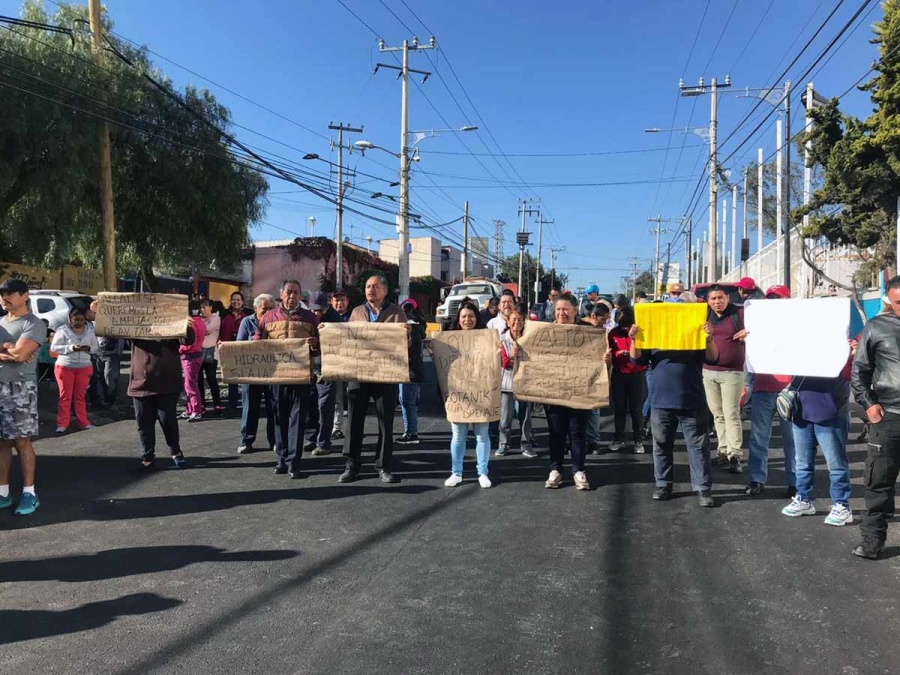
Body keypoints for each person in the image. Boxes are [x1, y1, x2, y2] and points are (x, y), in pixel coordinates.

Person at [629, 311, 718, 507]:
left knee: (698, 447)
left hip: (692, 400)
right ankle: (663, 484)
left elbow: (713, 358)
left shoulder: (694, 332)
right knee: (661, 445)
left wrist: (709, 339)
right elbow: (636, 360)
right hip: (661, 401)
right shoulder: (653, 333)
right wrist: (634, 340)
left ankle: (703, 488)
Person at [339, 275, 407, 484]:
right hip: (359, 374)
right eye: (368, 286)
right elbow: (346, 339)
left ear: (385, 291)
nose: (371, 290)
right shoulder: (356, 312)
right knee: (354, 420)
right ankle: (352, 465)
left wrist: (407, 335)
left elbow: (407, 343)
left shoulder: (396, 313)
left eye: (375, 287)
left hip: (386, 376)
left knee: (385, 422)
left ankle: (383, 466)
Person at [850, 277, 900, 559]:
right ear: (889, 302)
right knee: (878, 483)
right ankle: (872, 542)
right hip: (889, 417)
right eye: (898, 303)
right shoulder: (877, 327)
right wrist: (869, 404)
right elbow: (860, 373)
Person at [781, 343, 856, 527]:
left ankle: (842, 505)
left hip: (831, 411)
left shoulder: (841, 338)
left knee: (836, 464)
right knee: (802, 461)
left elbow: (850, 373)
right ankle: (803, 498)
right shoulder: (801, 338)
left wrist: (851, 354)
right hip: (801, 408)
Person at [256, 280, 320, 479]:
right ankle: (281, 460)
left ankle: (294, 462)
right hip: (276, 378)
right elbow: (257, 343)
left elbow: (322, 346)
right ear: (281, 294)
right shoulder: (267, 317)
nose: (292, 296)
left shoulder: (311, 318)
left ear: (301, 296)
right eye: (289, 292)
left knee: (298, 422)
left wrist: (315, 344)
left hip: (301, 378)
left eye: (296, 293)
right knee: (278, 420)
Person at [0, 279, 47, 516]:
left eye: (10, 293)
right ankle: (3, 492)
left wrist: (13, 350)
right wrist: (10, 349)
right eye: (2, 294)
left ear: (25, 295)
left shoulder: (34, 324)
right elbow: (16, 353)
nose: (4, 297)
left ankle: (30, 493)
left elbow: (20, 355)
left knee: (22, 441)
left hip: (20, 388)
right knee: (2, 442)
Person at [744, 284, 796, 497]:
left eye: (778, 297)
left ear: (787, 300)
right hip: (763, 388)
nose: (774, 301)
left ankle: (794, 482)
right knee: (759, 437)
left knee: (792, 439)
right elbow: (748, 354)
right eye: (771, 297)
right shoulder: (757, 323)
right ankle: (756, 479)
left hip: (790, 389)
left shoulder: (797, 324)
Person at [130, 316, 196, 471]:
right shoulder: (134, 325)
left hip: (167, 383)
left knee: (168, 420)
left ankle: (175, 451)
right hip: (141, 383)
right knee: (144, 422)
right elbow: (110, 330)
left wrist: (186, 326)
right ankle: (147, 455)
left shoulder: (172, 323)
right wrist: (100, 312)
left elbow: (188, 341)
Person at [544, 294, 592, 490]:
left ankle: (578, 470)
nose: (561, 313)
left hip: (579, 390)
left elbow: (595, 357)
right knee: (556, 432)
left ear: (574, 311)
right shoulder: (545, 332)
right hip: (553, 390)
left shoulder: (587, 332)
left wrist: (604, 359)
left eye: (565, 309)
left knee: (577, 432)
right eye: (558, 310)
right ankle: (555, 470)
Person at [443, 299, 493, 489]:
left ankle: (483, 472)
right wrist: (433, 351)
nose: (467, 319)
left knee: (482, 436)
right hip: (459, 396)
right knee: (458, 437)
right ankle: (456, 473)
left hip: (481, 394)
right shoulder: (449, 339)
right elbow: (443, 365)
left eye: (471, 316)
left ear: (476, 318)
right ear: (458, 319)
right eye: (463, 316)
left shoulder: (486, 338)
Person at [704, 284, 747, 474]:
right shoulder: (704, 316)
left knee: (731, 413)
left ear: (727, 298)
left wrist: (749, 333)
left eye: (720, 298)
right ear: (708, 301)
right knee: (717, 414)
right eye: (713, 299)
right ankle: (722, 452)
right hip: (708, 371)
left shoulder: (740, 314)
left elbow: (762, 327)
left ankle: (735, 454)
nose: (717, 302)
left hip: (732, 373)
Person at [236, 294, 276, 455]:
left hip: (272, 372)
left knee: (274, 409)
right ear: (256, 308)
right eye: (264, 308)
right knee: (249, 408)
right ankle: (247, 441)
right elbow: (238, 345)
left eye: (271, 309)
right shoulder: (247, 322)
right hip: (251, 373)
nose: (267, 312)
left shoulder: (278, 322)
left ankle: (275, 441)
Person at [304, 291, 342, 456]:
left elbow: (340, 342)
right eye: (313, 310)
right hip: (311, 366)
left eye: (320, 310)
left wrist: (319, 340)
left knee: (325, 405)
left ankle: (324, 442)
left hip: (329, 366)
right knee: (311, 403)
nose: (316, 313)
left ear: (327, 307)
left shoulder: (336, 319)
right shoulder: (308, 317)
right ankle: (312, 438)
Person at [605, 306, 647, 453]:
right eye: (622, 325)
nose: (625, 329)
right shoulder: (613, 333)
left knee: (637, 410)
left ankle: (638, 440)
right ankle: (619, 438)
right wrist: (617, 354)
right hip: (619, 373)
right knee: (619, 408)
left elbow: (644, 354)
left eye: (627, 325)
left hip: (637, 374)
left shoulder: (640, 332)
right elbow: (608, 352)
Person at [51, 307, 100, 433]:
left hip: (84, 366)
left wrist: (88, 348)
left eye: (81, 320)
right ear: (70, 319)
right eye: (75, 319)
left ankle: (83, 422)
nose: (78, 322)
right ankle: (62, 424)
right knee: (65, 396)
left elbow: (96, 348)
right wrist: (71, 348)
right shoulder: (62, 330)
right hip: (65, 366)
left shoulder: (91, 331)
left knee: (80, 397)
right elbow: (54, 348)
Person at [498, 310, 535, 457]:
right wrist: (515, 357)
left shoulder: (529, 339)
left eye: (520, 320)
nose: (516, 323)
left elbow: (534, 362)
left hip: (526, 384)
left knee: (526, 417)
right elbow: (504, 362)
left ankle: (526, 444)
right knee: (505, 417)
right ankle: (504, 444)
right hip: (507, 384)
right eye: (513, 320)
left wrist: (516, 360)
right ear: (508, 322)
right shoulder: (502, 339)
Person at [580, 303, 612, 454]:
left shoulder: (603, 332)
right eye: (603, 319)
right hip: (577, 374)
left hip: (596, 375)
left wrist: (608, 359)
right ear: (594, 316)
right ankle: (575, 441)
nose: (606, 321)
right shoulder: (578, 326)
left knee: (594, 410)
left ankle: (592, 441)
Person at [397, 298, 427, 445]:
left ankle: (411, 432)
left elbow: (407, 349)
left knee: (407, 401)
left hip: (409, 370)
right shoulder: (419, 327)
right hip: (416, 370)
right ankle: (410, 430)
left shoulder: (410, 329)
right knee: (410, 402)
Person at [220, 291, 252, 411]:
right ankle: (232, 405)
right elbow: (220, 330)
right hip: (228, 350)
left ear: (242, 301)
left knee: (245, 378)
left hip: (244, 351)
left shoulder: (248, 314)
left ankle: (246, 404)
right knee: (231, 378)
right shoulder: (224, 314)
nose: (236, 302)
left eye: (238, 300)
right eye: (234, 299)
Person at [330, 289, 351, 441]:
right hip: (335, 362)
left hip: (353, 363)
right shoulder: (326, 318)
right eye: (336, 300)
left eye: (342, 300)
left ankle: (352, 427)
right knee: (337, 397)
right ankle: (337, 427)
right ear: (332, 302)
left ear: (347, 302)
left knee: (353, 396)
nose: (339, 303)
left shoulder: (355, 317)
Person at [179, 310, 206, 422]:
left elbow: (190, 343)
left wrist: (179, 348)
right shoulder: (201, 322)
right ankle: (190, 409)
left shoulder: (191, 323)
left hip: (190, 355)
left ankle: (196, 410)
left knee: (190, 385)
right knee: (190, 384)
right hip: (197, 354)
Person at [197, 300, 223, 414]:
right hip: (198, 351)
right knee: (198, 380)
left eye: (205, 307)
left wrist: (200, 330)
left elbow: (207, 329)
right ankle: (201, 403)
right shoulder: (199, 319)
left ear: (211, 307)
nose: (203, 309)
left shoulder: (216, 318)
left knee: (211, 378)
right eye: (201, 307)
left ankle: (217, 403)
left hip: (211, 351)